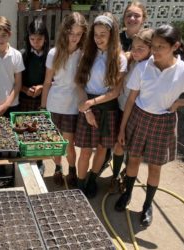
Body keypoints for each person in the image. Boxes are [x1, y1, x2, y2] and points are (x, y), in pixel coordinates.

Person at [114, 24, 184, 227]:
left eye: (160, 46)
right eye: (153, 46)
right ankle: (127, 194)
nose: (154, 51)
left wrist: (181, 102)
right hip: (138, 117)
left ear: (175, 46)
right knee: (133, 161)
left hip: (163, 123)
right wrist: (122, 129)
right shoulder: (143, 67)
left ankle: (147, 205)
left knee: (155, 168)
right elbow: (130, 101)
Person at [74, 12, 127, 197]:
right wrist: (87, 109)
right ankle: (79, 185)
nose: (98, 38)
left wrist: (92, 102)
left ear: (112, 35)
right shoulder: (86, 54)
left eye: (103, 34)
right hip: (87, 106)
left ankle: (92, 180)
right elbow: (79, 84)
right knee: (86, 150)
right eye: (96, 34)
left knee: (103, 149)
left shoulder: (120, 59)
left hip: (108, 108)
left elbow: (115, 92)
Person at [40, 12, 88, 186]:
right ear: (65, 31)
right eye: (71, 33)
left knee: (68, 143)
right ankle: (58, 168)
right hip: (54, 103)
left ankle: (73, 170)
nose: (74, 37)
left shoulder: (83, 54)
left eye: (79, 34)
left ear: (83, 34)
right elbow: (47, 82)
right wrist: (43, 107)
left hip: (72, 106)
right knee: (55, 143)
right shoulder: (54, 53)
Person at [101, 0, 148, 173]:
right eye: (129, 15)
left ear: (143, 19)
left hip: (138, 100)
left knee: (133, 143)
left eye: (137, 15)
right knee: (114, 138)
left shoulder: (148, 39)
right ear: (124, 18)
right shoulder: (116, 37)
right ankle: (112, 169)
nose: (132, 18)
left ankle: (125, 174)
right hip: (117, 95)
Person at [109, 28, 154, 194]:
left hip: (138, 114)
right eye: (133, 47)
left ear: (151, 49)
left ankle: (125, 176)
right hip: (122, 108)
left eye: (141, 48)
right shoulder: (130, 60)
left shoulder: (151, 67)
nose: (135, 51)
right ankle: (115, 176)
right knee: (119, 145)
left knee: (134, 151)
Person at [19, 17, 50, 176]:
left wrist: (42, 87)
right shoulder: (22, 55)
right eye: (32, 39)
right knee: (24, 130)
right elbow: (16, 81)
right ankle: (24, 160)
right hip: (25, 99)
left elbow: (55, 80)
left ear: (45, 38)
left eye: (39, 38)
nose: (36, 42)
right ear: (28, 38)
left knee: (39, 131)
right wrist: (25, 90)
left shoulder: (50, 56)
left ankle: (39, 161)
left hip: (42, 100)